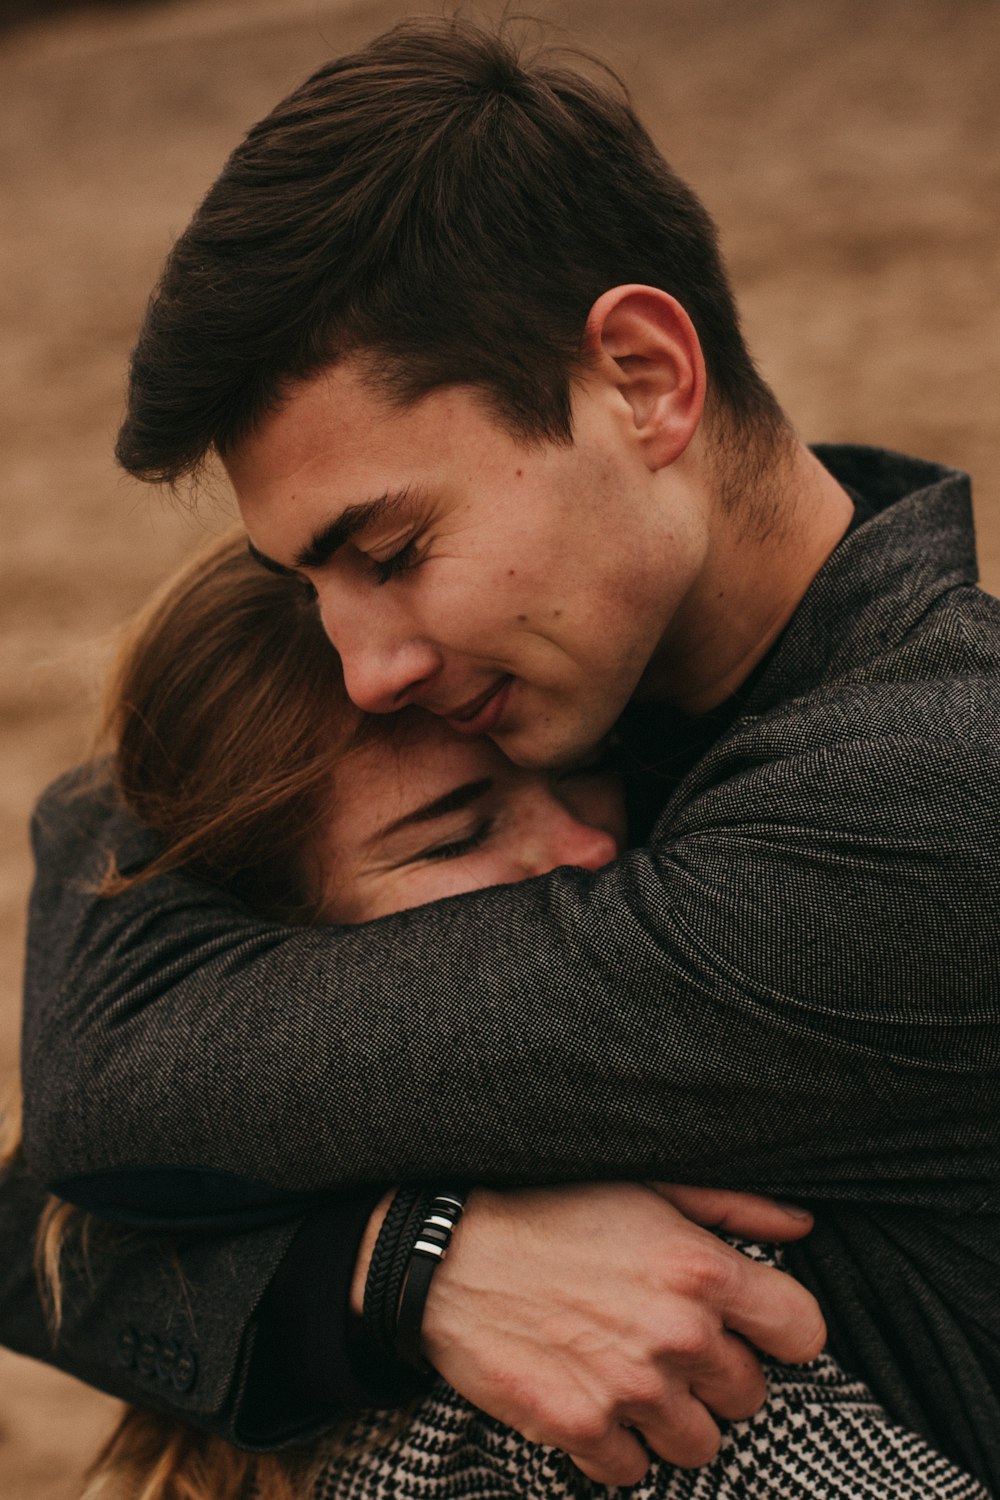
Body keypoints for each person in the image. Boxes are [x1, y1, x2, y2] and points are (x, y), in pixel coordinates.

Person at [7, 12, 1000, 1495]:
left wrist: (384, 1246)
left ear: (646, 378)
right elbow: (98, 840)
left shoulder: (930, 805)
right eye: (304, 585)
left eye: (394, 548)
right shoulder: (587, 675)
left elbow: (118, 1098)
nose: (367, 667)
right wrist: (411, 1264)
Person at [6, 531, 983, 1500]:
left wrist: (392, 1254)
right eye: (456, 836)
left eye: (583, 764)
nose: (583, 849)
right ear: (262, 939)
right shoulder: (634, 1350)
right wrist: (409, 1255)